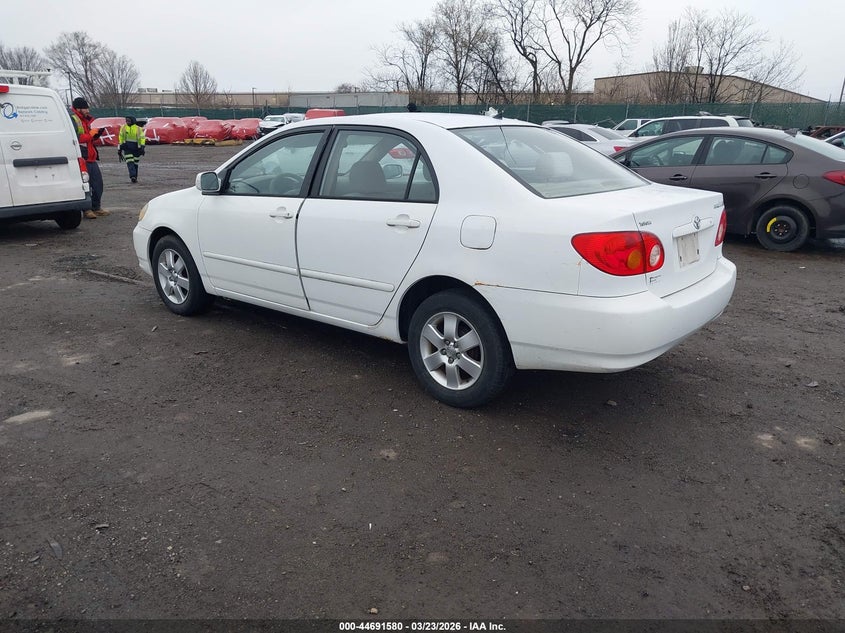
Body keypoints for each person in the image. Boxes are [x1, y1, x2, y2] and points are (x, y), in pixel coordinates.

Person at [69, 97, 108, 218]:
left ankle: (96, 207)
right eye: (85, 108)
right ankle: (86, 209)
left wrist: (95, 136)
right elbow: (75, 138)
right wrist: (90, 135)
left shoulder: (86, 121)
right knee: (86, 185)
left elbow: (87, 139)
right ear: (78, 108)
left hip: (91, 157)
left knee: (98, 184)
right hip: (82, 158)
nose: (88, 110)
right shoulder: (73, 120)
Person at [118, 116, 146, 183]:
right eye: (126, 121)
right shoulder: (123, 128)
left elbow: (142, 138)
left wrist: (142, 146)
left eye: (129, 121)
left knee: (135, 163)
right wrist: (120, 148)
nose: (127, 122)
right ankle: (132, 176)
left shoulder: (138, 129)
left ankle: (135, 177)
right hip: (127, 148)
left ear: (133, 121)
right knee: (130, 162)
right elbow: (120, 137)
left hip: (137, 148)